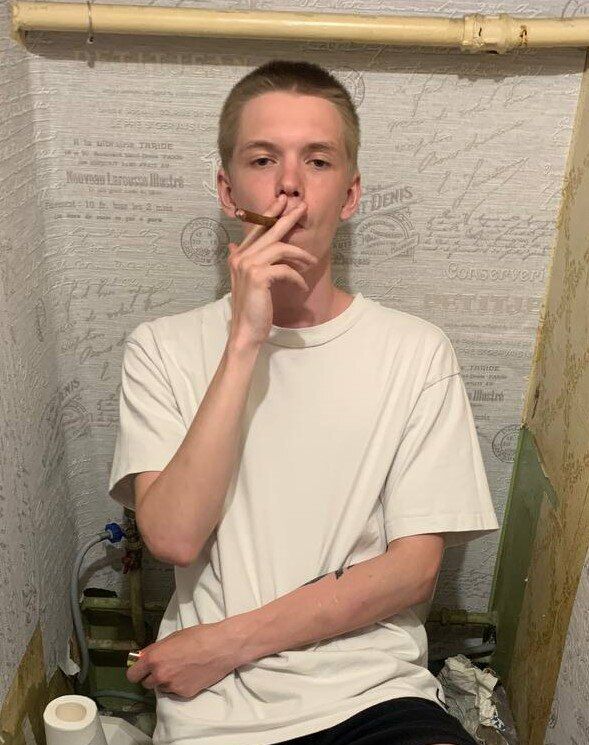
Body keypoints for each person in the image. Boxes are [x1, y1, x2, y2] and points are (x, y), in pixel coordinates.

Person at [109, 59, 500, 745]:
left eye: (316, 161)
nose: (289, 183)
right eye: (263, 159)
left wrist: (227, 641)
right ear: (228, 191)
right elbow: (172, 538)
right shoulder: (161, 348)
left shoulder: (415, 351)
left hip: (373, 693)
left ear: (349, 194)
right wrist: (244, 341)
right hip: (215, 711)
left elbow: (412, 572)